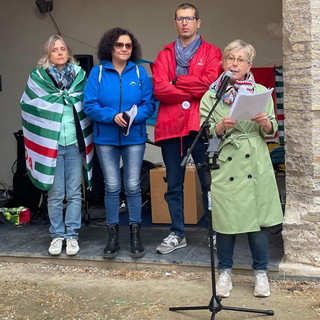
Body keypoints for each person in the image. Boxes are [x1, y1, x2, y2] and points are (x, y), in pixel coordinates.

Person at [200, 39, 284, 298]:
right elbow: (205, 130)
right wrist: (220, 127)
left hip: (255, 162)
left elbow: (272, 130)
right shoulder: (212, 94)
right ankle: (225, 273)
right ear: (223, 62)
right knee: (226, 223)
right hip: (226, 162)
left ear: (250, 64)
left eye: (240, 60)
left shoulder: (260, 91)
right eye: (230, 59)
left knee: (256, 224)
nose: (234, 64)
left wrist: (264, 123)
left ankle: (261, 273)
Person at [152, 3, 222, 254]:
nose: (185, 22)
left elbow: (210, 85)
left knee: (209, 182)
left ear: (198, 22)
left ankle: (215, 232)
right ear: (175, 23)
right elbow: (159, 89)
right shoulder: (164, 54)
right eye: (180, 19)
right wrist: (189, 88)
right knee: (173, 183)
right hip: (171, 126)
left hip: (200, 124)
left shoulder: (212, 52)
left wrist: (176, 81)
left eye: (189, 18)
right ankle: (177, 233)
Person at [83, 28, 155, 259]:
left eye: (128, 46)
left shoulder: (140, 73)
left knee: (133, 185)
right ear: (110, 48)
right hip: (106, 138)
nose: (124, 49)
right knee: (112, 186)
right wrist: (112, 116)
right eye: (119, 45)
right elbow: (89, 104)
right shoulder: (98, 72)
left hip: (134, 137)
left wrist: (133, 117)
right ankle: (112, 236)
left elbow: (149, 104)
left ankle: (135, 234)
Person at [20, 35, 94, 256]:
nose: (60, 52)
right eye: (55, 50)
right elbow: (28, 105)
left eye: (63, 49)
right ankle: (56, 235)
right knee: (54, 194)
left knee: (73, 192)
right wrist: (55, 103)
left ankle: (71, 235)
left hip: (73, 141)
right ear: (48, 54)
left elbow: (87, 103)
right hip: (49, 144)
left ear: (68, 52)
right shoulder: (38, 78)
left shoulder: (80, 77)